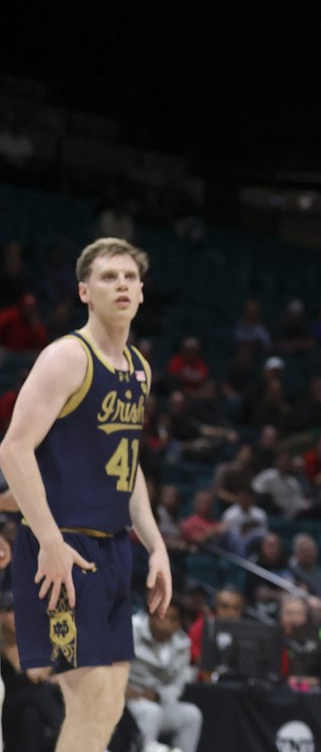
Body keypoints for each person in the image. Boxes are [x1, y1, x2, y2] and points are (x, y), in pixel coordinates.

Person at [0, 236, 173, 752]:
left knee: (110, 703)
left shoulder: (138, 368)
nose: (120, 285)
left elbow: (128, 464)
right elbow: (13, 449)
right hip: (64, 549)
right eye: (107, 277)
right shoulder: (67, 358)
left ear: (141, 292)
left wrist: (156, 544)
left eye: (128, 277)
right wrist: (49, 540)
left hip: (115, 547)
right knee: (91, 699)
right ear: (83, 291)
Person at [127, 602, 202, 752]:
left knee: (192, 715)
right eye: (160, 617)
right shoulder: (131, 630)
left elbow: (178, 685)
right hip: (127, 700)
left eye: (172, 619)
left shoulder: (182, 644)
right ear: (149, 616)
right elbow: (112, 666)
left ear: (179, 623)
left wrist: (158, 696)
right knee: (151, 712)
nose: (165, 624)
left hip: (157, 700)